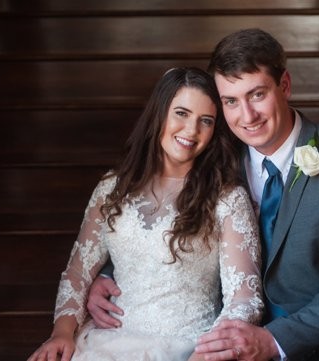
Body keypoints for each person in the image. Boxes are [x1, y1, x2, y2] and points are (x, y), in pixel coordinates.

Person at [87, 29, 319, 361]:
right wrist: (107, 276)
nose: (246, 116)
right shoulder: (209, 157)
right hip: (222, 322)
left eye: (257, 94)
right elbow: (153, 215)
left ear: (284, 86)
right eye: (231, 101)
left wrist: (274, 340)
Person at [27, 67, 263, 361]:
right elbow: (78, 273)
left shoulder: (227, 199)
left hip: (188, 348)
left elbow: (244, 298)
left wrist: (208, 353)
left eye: (206, 121)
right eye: (181, 113)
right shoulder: (111, 188)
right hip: (106, 344)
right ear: (159, 113)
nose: (191, 130)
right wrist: (61, 333)